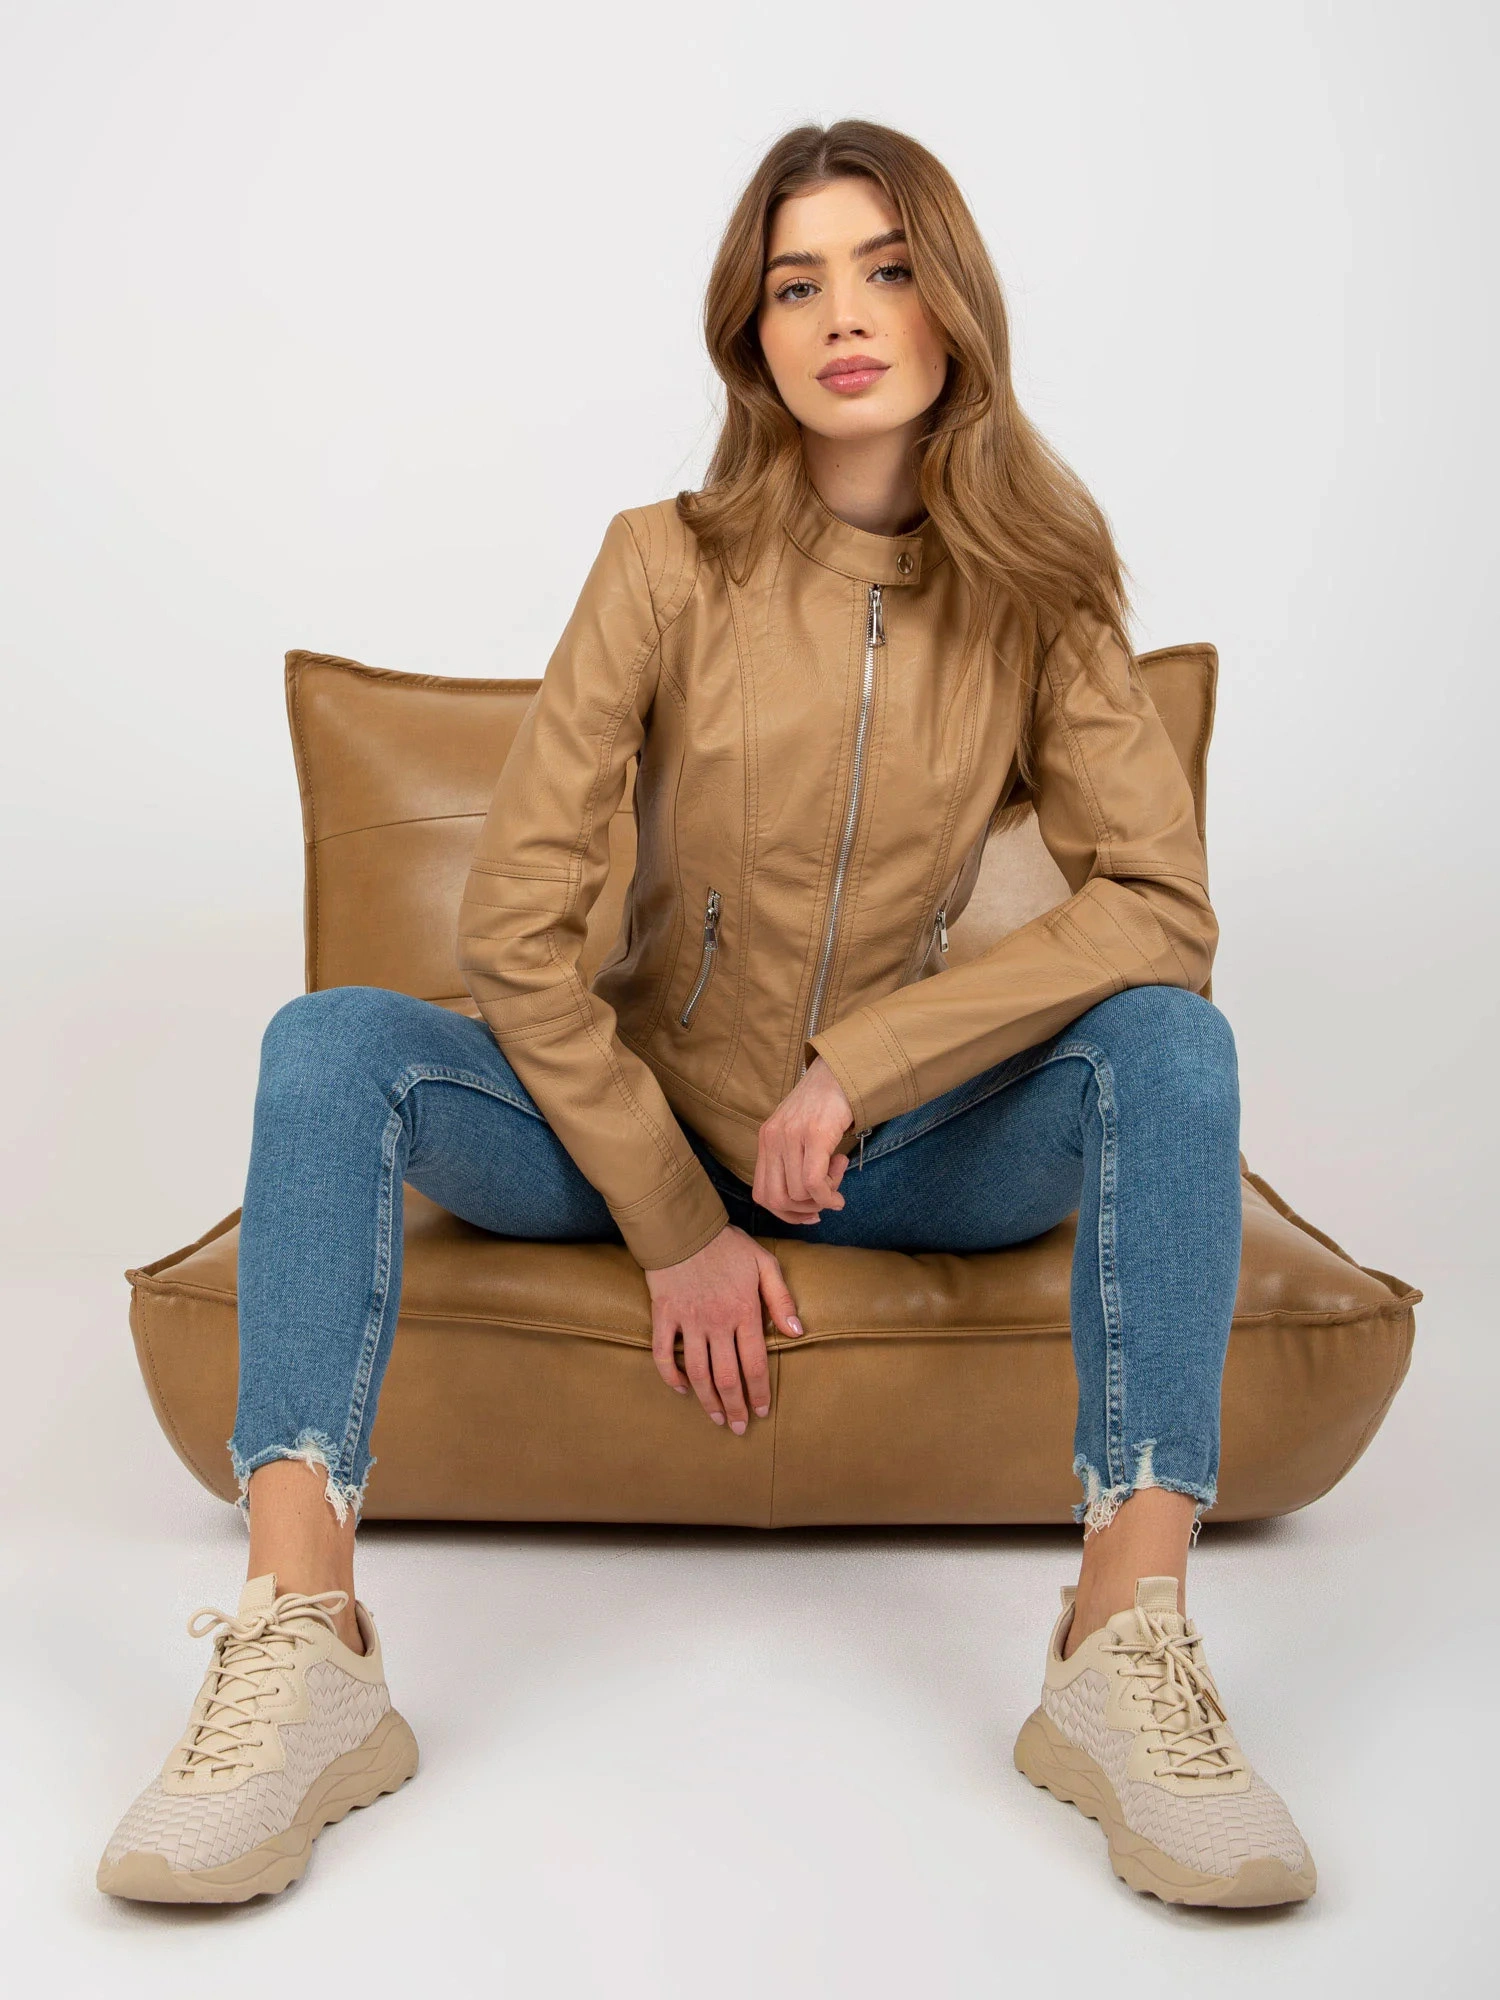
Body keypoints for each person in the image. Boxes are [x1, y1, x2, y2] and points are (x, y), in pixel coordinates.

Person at [98, 119, 1314, 1910]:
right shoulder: (662, 563)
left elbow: (1160, 905)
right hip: (630, 1128)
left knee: (1174, 1048)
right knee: (330, 1046)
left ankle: (1123, 1645)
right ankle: (306, 1646)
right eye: (795, 285)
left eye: (886, 269)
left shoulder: (1042, 593)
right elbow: (517, 927)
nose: (844, 316)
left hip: (902, 1149)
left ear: (955, 302)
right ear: (751, 336)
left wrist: (865, 1065)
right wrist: (675, 1221)